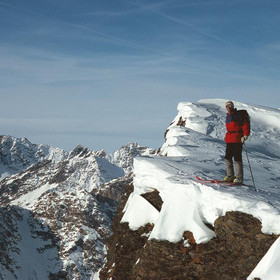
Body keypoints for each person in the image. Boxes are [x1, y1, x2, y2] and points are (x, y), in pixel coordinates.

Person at [223, 101, 250, 183]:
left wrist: (245, 135)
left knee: (237, 158)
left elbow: (245, 124)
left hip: (237, 139)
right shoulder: (228, 116)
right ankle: (230, 175)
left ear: (233, 106)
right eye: (227, 106)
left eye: (230, 105)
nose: (229, 107)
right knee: (227, 157)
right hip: (230, 139)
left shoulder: (238, 115)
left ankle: (239, 177)